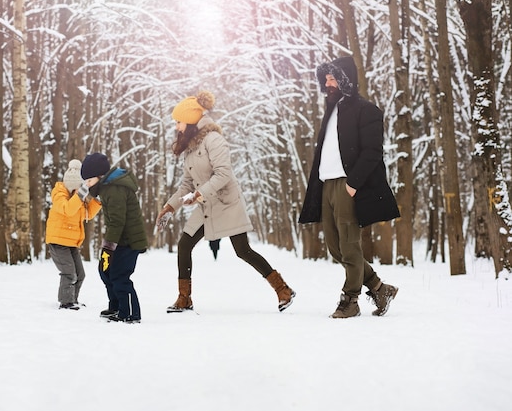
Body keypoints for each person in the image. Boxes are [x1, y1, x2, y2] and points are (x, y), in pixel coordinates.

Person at [156, 90, 295, 313]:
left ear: (191, 121)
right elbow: (186, 185)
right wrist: (170, 207)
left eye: (179, 122)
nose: (177, 127)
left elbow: (223, 174)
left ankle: (282, 289)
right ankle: (184, 298)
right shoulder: (190, 148)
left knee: (243, 251)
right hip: (205, 207)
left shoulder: (214, 140)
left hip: (226, 203)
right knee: (184, 245)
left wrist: (198, 195)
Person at [298, 56, 400, 318]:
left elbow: (373, 151)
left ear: (346, 80)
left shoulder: (367, 110)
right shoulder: (331, 111)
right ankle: (379, 288)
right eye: (326, 79)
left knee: (350, 245)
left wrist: (353, 184)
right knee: (336, 248)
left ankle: (350, 300)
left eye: (333, 79)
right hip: (327, 184)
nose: (328, 84)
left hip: (347, 184)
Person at [81, 152, 148, 324]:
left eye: (89, 180)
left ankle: (131, 313)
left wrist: (108, 248)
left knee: (119, 275)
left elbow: (118, 221)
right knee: (106, 271)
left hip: (128, 241)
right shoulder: (107, 188)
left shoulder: (114, 189)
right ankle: (116, 306)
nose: (87, 185)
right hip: (120, 240)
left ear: (99, 176)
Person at [45, 159, 102, 310]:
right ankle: (66, 302)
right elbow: (68, 209)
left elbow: (87, 214)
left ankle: (73, 300)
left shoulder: (79, 196)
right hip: (58, 242)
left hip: (71, 242)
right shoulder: (59, 193)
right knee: (69, 273)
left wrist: (97, 199)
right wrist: (80, 194)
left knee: (80, 274)